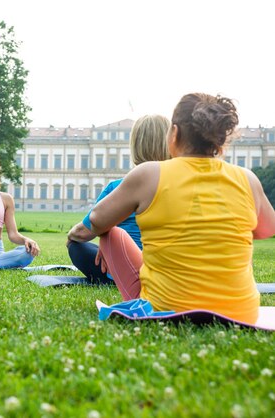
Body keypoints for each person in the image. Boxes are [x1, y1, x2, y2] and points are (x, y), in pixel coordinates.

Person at [88, 93, 275, 324]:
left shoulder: (150, 173)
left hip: (166, 307)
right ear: (219, 140)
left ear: (174, 134)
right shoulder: (247, 178)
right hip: (240, 313)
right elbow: (267, 229)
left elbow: (96, 219)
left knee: (110, 233)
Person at [67, 115, 171, 283]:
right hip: (168, 271)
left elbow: (83, 232)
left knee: (76, 246)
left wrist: (101, 239)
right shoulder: (181, 186)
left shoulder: (119, 187)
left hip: (127, 270)